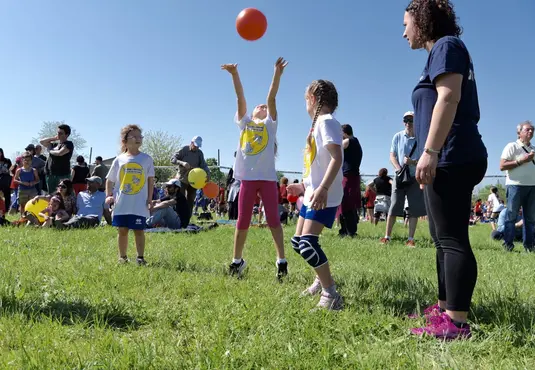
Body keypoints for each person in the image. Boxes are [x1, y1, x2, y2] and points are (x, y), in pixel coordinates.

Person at [403, 0, 488, 339]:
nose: (403, 31)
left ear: (422, 22)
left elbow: (449, 98)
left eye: (406, 23)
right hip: (444, 156)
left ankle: (456, 323)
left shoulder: (446, 46)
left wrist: (430, 151)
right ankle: (445, 308)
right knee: (441, 239)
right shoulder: (438, 53)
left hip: (453, 154)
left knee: (452, 239)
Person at [221, 57, 288, 280]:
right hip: (247, 180)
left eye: (263, 107)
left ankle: (282, 262)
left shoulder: (270, 124)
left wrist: (277, 73)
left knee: (273, 221)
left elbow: (272, 96)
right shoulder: (245, 123)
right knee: (242, 221)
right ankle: (236, 261)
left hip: (267, 179)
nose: (261, 106)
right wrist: (234, 75)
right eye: (258, 106)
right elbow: (240, 98)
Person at [287, 79, 344, 310]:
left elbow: (336, 158)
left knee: (308, 244)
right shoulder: (318, 124)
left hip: (324, 194)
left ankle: (331, 294)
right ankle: (321, 281)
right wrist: (304, 186)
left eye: (305, 100)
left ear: (312, 99)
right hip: (313, 192)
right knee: (298, 242)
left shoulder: (326, 121)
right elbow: (316, 165)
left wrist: (323, 188)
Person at [105, 125, 155, 265]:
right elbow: (110, 180)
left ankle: (140, 258)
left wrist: (150, 198)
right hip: (122, 203)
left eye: (140, 137)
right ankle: (123, 257)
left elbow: (151, 180)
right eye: (135, 136)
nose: (139, 139)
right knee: (122, 230)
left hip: (139, 203)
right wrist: (108, 195)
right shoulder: (119, 160)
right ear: (125, 141)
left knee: (139, 230)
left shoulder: (147, 159)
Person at [380, 111, 426, 247]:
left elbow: (425, 159)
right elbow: (392, 155)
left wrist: (413, 162)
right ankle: (387, 237)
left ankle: (410, 239)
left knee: (414, 209)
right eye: (405, 120)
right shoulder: (398, 136)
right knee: (394, 206)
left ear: (416, 122)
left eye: (411, 120)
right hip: (399, 177)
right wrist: (398, 168)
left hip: (415, 177)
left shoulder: (421, 138)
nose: (408, 123)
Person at [499, 120, 535, 252]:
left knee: (530, 219)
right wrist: (522, 160)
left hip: (532, 187)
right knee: (511, 216)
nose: (531, 132)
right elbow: (502, 165)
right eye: (527, 129)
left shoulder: (533, 149)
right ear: (519, 133)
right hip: (515, 186)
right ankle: (508, 245)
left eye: (532, 130)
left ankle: (529, 247)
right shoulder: (512, 146)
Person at [171, 136, 210, 213]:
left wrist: (208, 173)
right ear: (191, 143)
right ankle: (178, 216)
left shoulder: (199, 153)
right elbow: (172, 159)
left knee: (191, 199)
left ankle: (187, 217)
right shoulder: (184, 149)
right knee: (180, 198)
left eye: (198, 146)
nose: (196, 147)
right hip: (182, 179)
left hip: (194, 180)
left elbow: (203, 165)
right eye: (195, 145)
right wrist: (182, 163)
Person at [338, 124, 363, 237]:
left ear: (344, 133)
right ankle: (345, 230)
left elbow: (336, 147)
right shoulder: (355, 141)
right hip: (351, 176)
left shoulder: (349, 141)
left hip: (349, 176)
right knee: (346, 204)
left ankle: (350, 231)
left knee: (347, 204)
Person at [39, 123, 75, 192]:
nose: (58, 134)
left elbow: (60, 153)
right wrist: (54, 138)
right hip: (50, 174)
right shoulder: (54, 145)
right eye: (58, 133)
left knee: (62, 195)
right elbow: (42, 141)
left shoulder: (69, 144)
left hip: (62, 175)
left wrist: (50, 151)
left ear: (67, 135)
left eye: (61, 133)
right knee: (51, 195)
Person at [13, 151, 40, 218]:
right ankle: (23, 218)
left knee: (33, 203)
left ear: (31, 161)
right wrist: (22, 182)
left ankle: (34, 218)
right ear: (22, 160)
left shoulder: (34, 170)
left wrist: (33, 182)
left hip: (32, 190)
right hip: (22, 190)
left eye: (29, 160)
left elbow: (38, 180)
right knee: (22, 205)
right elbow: (15, 180)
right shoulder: (19, 170)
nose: (27, 162)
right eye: (25, 160)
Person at [0, 148, 12, 217]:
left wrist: (7, 171)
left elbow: (11, 169)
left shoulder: (7, 160)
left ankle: (7, 209)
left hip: (6, 180)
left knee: (7, 195)